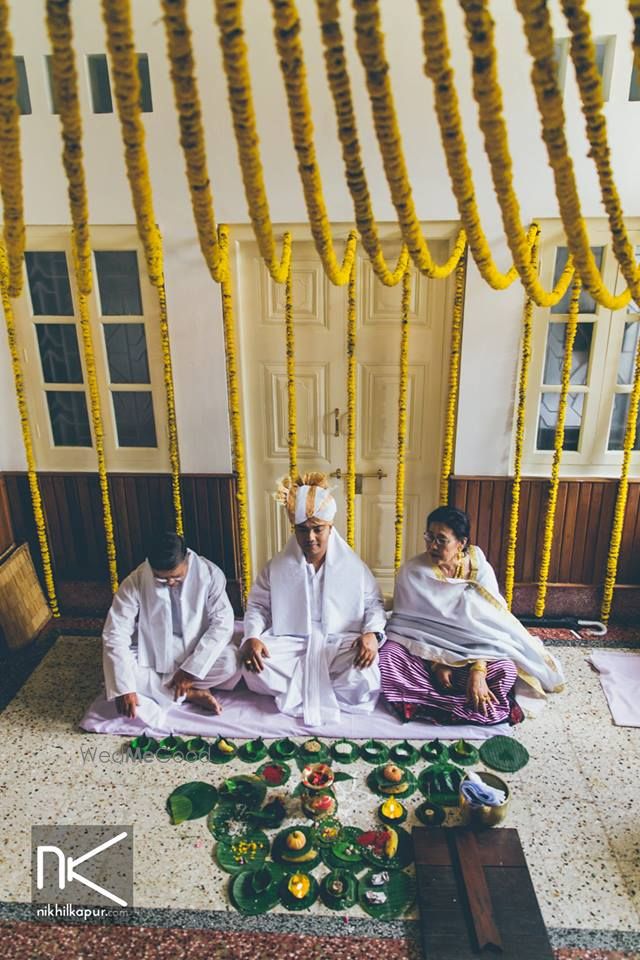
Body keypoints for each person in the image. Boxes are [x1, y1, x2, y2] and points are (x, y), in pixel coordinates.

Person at [379, 506, 565, 725]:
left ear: (461, 543)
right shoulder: (413, 572)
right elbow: (408, 625)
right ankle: (433, 702)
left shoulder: (480, 568)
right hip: (425, 652)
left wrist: (478, 669)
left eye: (441, 540)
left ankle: (472, 693)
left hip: (477, 652)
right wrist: (438, 662)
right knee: (388, 656)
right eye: (429, 537)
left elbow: (489, 627)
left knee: (505, 669)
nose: (432, 546)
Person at [240, 472, 386, 726]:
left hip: (339, 639)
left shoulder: (354, 567)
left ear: (330, 528)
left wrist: (372, 634)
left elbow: (374, 604)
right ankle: (317, 688)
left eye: (318, 529)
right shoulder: (276, 566)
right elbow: (258, 606)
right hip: (292, 640)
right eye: (302, 530)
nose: (310, 538)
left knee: (366, 673)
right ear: (294, 530)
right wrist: (252, 636)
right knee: (254, 668)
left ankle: (309, 689)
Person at [102, 531, 240, 718]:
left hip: (197, 646)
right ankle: (190, 694)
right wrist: (124, 688)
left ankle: (168, 689)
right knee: (123, 678)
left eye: (176, 576)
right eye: (162, 579)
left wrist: (192, 669)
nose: (170, 582)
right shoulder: (135, 581)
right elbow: (115, 633)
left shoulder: (209, 573)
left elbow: (223, 624)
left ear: (186, 560)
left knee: (230, 663)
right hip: (153, 652)